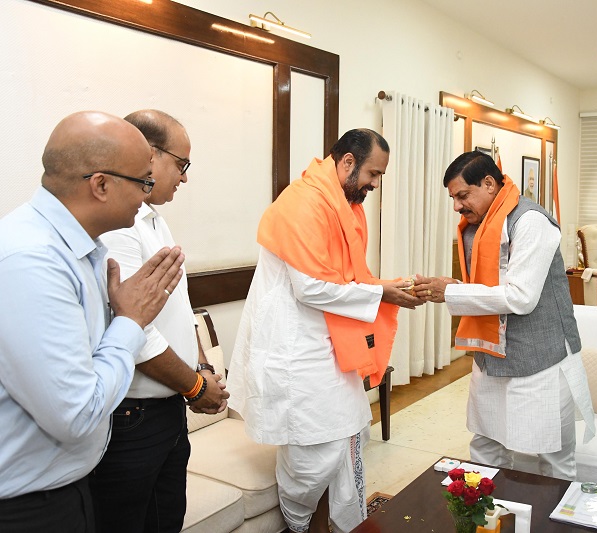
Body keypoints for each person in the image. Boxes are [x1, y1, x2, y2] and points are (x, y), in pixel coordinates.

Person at [226, 129, 422, 533]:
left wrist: (388, 289)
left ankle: (338, 525)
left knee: (349, 436)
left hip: (330, 343)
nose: (375, 183)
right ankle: (302, 526)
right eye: (373, 173)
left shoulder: (343, 205)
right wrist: (381, 293)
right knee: (312, 453)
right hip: (296, 349)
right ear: (348, 161)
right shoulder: (303, 203)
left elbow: (346, 278)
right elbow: (310, 288)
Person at [0, 111, 185, 532]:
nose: (147, 195)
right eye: (143, 182)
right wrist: (131, 321)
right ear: (100, 185)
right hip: (28, 508)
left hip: (66, 487)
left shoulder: (80, 248)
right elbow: (76, 413)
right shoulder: (32, 260)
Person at [413, 151, 595, 480]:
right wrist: (455, 287)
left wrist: (451, 292)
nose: (456, 206)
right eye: (453, 198)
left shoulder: (531, 221)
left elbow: (521, 297)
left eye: (462, 195)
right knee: (486, 447)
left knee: (553, 458)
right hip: (491, 357)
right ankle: (487, 509)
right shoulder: (477, 225)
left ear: (489, 183)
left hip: (540, 359)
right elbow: (489, 286)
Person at [89, 110, 229, 532]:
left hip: (167, 409)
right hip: (135, 416)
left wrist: (201, 367)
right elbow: (135, 330)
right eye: (181, 163)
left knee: (166, 520)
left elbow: (179, 309)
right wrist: (196, 386)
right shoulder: (118, 227)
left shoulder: (153, 219)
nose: (184, 177)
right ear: (149, 155)